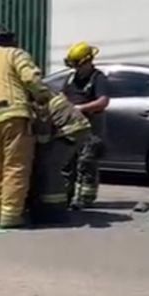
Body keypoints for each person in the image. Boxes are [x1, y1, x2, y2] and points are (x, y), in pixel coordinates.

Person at [0, 24, 53, 229]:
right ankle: (10, 214)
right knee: (15, 166)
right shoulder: (14, 54)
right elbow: (31, 78)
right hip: (15, 115)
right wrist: (44, 96)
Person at [61, 41, 110, 210]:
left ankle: (85, 199)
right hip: (72, 127)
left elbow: (103, 101)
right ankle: (65, 196)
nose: (76, 69)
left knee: (87, 162)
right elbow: (63, 96)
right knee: (68, 162)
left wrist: (81, 108)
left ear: (87, 62)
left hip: (91, 127)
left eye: (78, 65)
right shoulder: (71, 78)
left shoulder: (98, 78)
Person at [28, 93, 91, 225]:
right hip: (75, 128)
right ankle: (54, 207)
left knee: (50, 166)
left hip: (71, 131)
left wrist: (40, 148)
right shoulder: (44, 93)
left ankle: (55, 211)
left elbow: (44, 128)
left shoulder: (39, 99)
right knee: (50, 166)